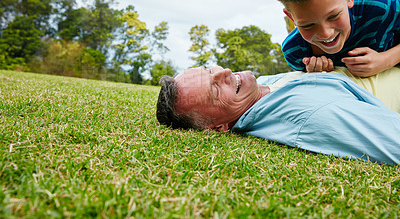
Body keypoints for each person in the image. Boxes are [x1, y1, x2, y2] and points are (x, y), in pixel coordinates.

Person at [156, 66, 400, 165]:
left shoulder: (261, 88)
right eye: (215, 89)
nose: (226, 72)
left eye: (211, 70)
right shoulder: (307, 115)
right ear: (218, 127)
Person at [269, 0, 400, 77]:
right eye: (308, 25)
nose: (326, 34)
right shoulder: (296, 52)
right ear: (292, 18)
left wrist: (386, 60)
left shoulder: (381, 8)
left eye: (333, 16)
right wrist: (316, 75)